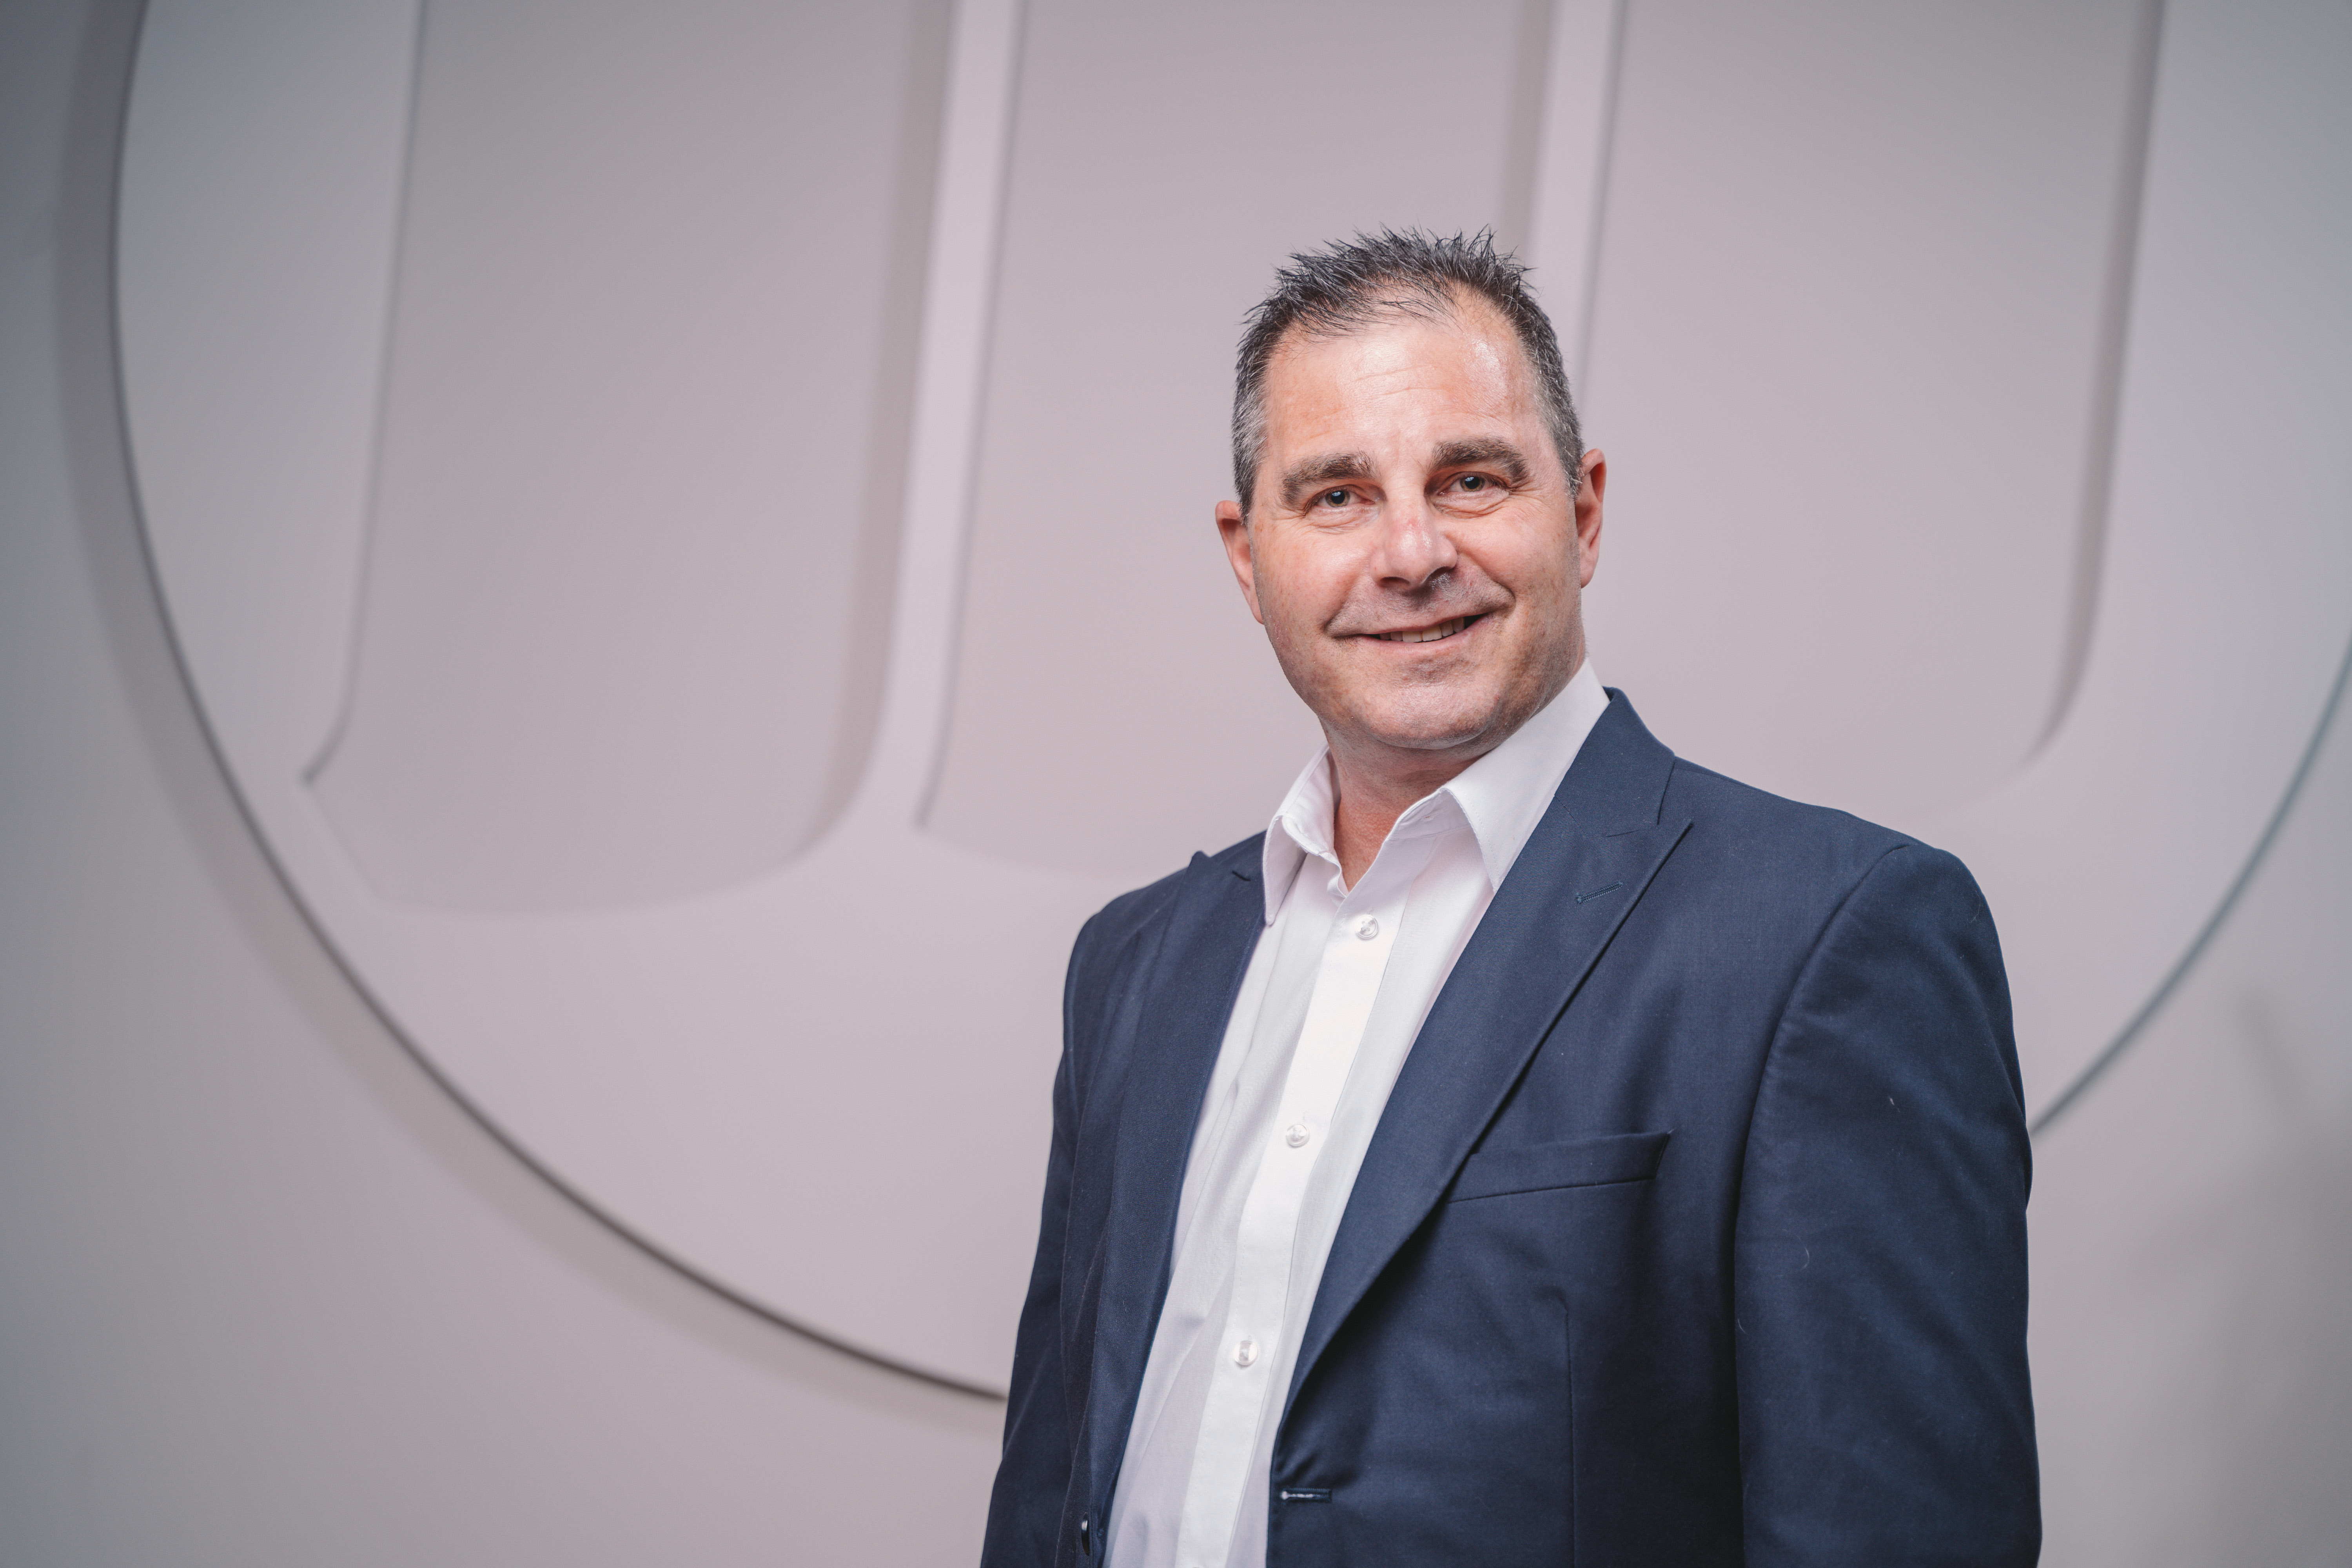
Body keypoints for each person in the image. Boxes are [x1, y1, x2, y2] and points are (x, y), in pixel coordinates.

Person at [979, 230, 2038, 1568]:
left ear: (1583, 514)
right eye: (1337, 496)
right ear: (1248, 557)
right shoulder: (1135, 966)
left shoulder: (1832, 937)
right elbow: (1049, 1495)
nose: (1411, 552)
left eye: (1471, 479)